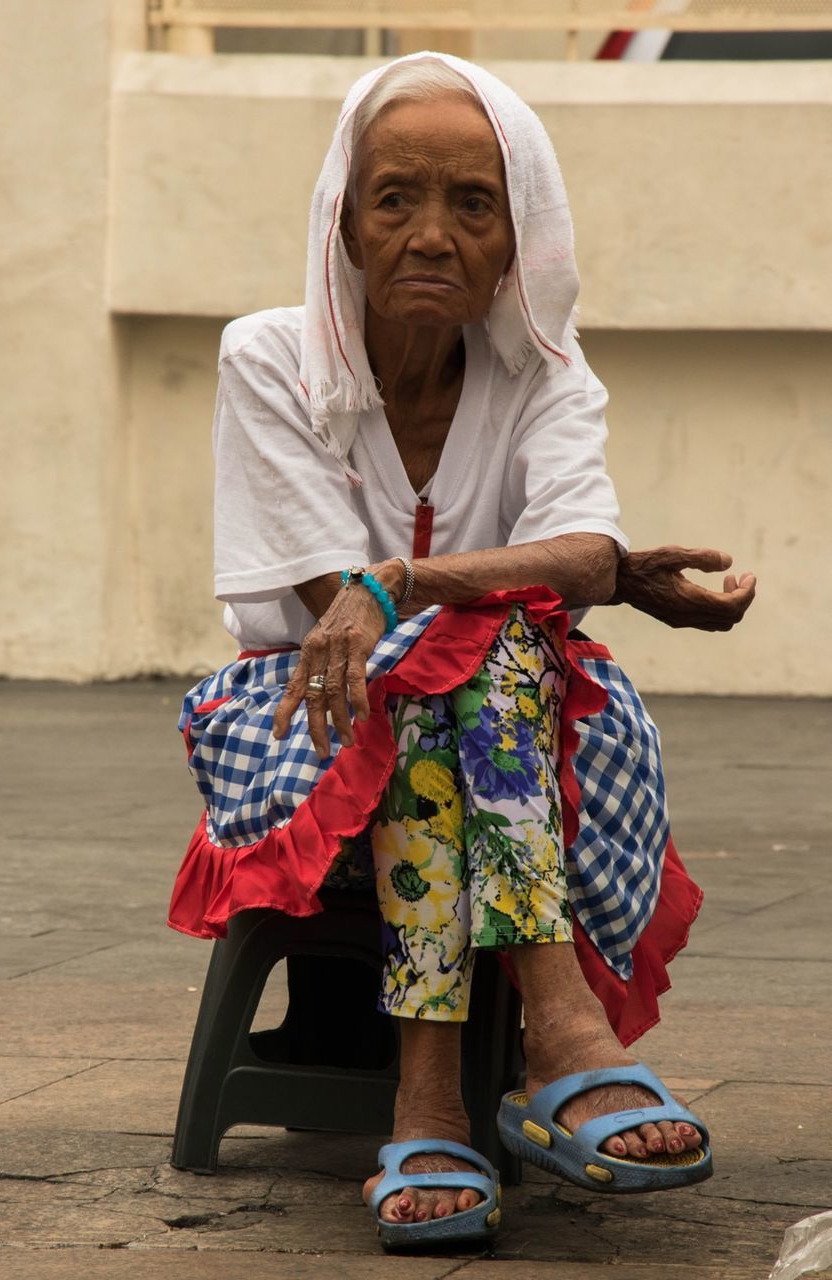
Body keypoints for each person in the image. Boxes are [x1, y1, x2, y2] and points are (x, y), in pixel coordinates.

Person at [168, 52, 755, 1249]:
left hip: (517, 726)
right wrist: (465, 586)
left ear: (514, 236)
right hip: (303, 721)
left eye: (470, 205)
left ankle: (427, 1097)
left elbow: (588, 553)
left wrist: (406, 582)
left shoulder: (544, 370)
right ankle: (561, 1029)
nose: (430, 235)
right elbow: (346, 609)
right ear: (344, 222)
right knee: (459, 667)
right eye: (395, 199)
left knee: (476, 672)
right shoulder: (267, 358)